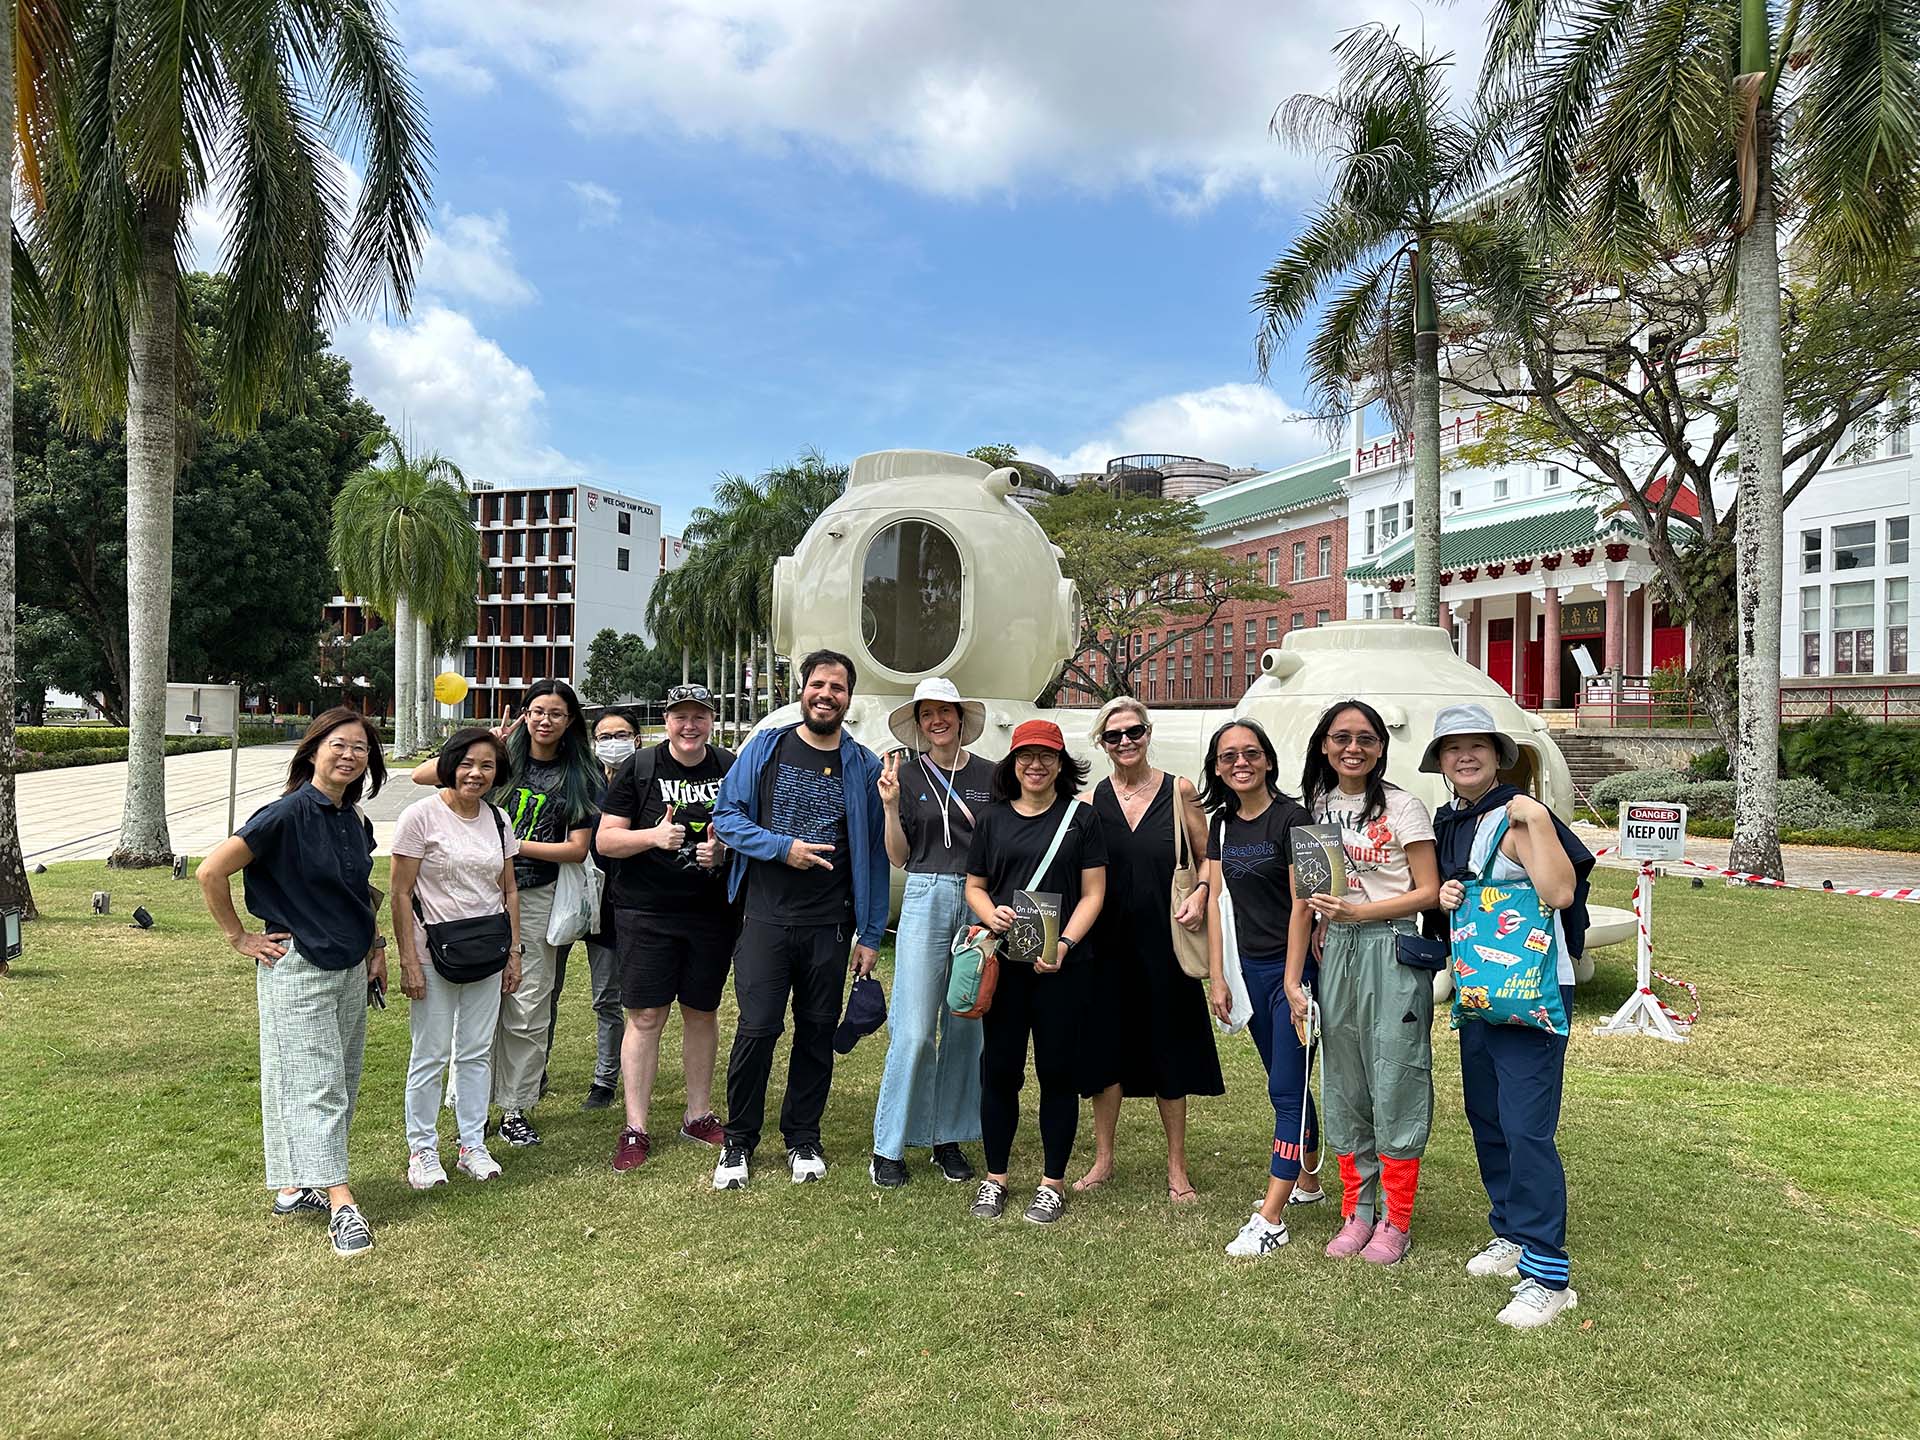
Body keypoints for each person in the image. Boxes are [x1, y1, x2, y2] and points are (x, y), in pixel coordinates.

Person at [197, 708, 388, 1259]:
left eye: (360, 748)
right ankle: (340, 1202)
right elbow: (212, 871)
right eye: (339, 744)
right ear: (312, 751)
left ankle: (292, 1185)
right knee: (316, 1082)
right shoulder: (282, 815)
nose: (350, 755)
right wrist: (239, 938)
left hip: (350, 964)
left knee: (337, 1079)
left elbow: (359, 893)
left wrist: (376, 949)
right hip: (298, 964)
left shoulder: (353, 820)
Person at [1426, 703, 1594, 1328]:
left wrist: (1536, 819)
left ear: (1500, 755)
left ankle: (1548, 1275)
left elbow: (1558, 892)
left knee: (1527, 1127)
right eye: (1452, 748)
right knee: (1489, 1116)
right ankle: (1512, 1232)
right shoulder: (1451, 821)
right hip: (1481, 993)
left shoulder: (1521, 813)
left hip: (1533, 992)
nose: (1464, 756)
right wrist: (1448, 897)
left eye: (1477, 745)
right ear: (1440, 762)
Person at [709, 650, 887, 1189]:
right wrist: (782, 848)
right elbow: (727, 818)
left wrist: (871, 934)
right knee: (758, 1028)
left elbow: (874, 855)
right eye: (818, 684)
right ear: (802, 689)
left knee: (815, 1032)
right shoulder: (767, 747)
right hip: (765, 917)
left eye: (838, 687)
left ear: (848, 699)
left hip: (829, 925)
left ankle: (803, 1138)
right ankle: (738, 1142)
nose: (826, 694)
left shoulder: (863, 765)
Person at [411, 680, 597, 1148]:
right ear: (525, 713)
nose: (545, 721)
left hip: (534, 899)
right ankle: (470, 1101)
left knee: (527, 1007)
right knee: (473, 1003)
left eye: (556, 713)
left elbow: (576, 850)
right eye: (537, 711)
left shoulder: (580, 773)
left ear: (570, 720)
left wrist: (506, 846)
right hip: (471, 900)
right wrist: (484, 747)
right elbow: (420, 775)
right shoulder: (495, 758)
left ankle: (515, 1106)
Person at [1288, 698, 1441, 1266]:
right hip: (1336, 955)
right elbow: (1303, 899)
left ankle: (1395, 1222)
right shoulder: (1314, 807)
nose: (1353, 748)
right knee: (1345, 1079)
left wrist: (1360, 915)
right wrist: (1291, 978)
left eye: (1366, 738)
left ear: (1381, 747)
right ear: (1324, 745)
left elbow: (1428, 891)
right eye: (1341, 737)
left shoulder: (1405, 807)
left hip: (1392, 948)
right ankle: (1358, 1211)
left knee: (1396, 1076)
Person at [1074, 698, 1222, 1202]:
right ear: (1102, 743)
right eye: (1113, 735)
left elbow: (1208, 859)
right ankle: (1103, 1159)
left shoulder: (1179, 790)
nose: (1125, 742)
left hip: (1168, 942)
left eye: (1133, 731)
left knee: (1169, 1052)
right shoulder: (1095, 799)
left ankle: (1177, 1169)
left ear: (1148, 732)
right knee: (1105, 1053)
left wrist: (1202, 894)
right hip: (1108, 944)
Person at [963, 720, 1108, 1225]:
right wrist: (990, 914)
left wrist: (1066, 942)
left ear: (1061, 763)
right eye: (1026, 755)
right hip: (1005, 966)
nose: (1036, 765)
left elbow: (1094, 893)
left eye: (1047, 756)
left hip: (1061, 968)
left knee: (1057, 1074)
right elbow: (974, 885)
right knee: (999, 1071)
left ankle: (1051, 1183)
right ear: (1013, 762)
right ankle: (995, 1177)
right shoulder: (992, 819)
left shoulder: (1080, 819)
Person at [595, 684, 736, 1171]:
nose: (689, 726)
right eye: (680, 717)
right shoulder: (640, 768)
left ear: (711, 721)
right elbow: (606, 841)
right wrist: (653, 836)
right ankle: (635, 1127)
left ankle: (698, 1115)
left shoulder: (729, 764)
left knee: (702, 1011)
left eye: (699, 716)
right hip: (646, 912)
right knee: (646, 1017)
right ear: (667, 721)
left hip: (711, 912)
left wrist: (724, 852)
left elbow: (748, 832)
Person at [1201, 719, 1321, 1258]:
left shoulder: (1294, 817)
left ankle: (1271, 1218)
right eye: (1228, 756)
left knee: (1284, 1090)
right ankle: (1310, 1182)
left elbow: (1305, 902)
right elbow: (1214, 901)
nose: (1239, 763)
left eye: (1250, 753)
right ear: (1218, 767)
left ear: (1268, 760)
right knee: (1284, 1076)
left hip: (1293, 972)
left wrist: (1295, 981)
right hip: (1248, 972)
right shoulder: (1220, 824)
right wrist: (1219, 975)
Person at [870, 677, 994, 1189]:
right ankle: (889, 1145)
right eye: (927, 714)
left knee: (965, 1023)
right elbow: (899, 855)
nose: (937, 721)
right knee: (916, 1027)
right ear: (918, 723)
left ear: (961, 718)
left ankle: (949, 1138)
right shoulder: (906, 773)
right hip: (923, 893)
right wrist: (889, 805)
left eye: (946, 711)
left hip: (977, 898)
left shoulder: (992, 775)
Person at [390, 728, 523, 1188]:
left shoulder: (499, 819)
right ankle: (422, 1150)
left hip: (487, 950)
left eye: (487, 765)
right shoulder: (420, 817)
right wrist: (408, 958)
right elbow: (401, 892)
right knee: (429, 1054)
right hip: (433, 952)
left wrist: (514, 954)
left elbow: (508, 889)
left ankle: (472, 1144)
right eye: (467, 763)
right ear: (449, 764)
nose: (476, 774)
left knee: (475, 1052)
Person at [566, 706, 640, 1111]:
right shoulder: (583, 781)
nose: (614, 743)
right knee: (546, 994)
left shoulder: (647, 780)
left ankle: (604, 1079)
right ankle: (533, 1076)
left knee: (609, 996)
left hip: (621, 904)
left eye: (622, 734)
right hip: (573, 898)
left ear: (637, 737)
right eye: (606, 737)